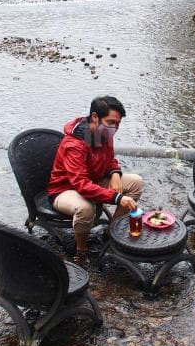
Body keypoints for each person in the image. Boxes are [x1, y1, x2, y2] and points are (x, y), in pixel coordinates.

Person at [47, 96, 143, 266]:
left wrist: (114, 173)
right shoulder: (74, 144)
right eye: (111, 122)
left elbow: (110, 159)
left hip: (93, 181)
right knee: (85, 208)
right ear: (94, 117)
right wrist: (117, 197)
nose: (114, 128)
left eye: (118, 124)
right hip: (65, 189)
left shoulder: (103, 133)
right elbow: (81, 184)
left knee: (135, 182)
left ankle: (111, 232)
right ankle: (81, 250)